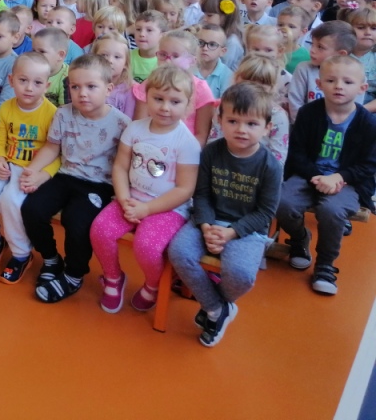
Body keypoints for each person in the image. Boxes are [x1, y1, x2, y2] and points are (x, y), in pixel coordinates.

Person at [90, 64, 201, 315]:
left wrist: (148, 209)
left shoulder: (187, 143)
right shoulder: (135, 128)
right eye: (158, 99)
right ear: (146, 97)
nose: (165, 107)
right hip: (131, 199)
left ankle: (153, 285)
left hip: (167, 208)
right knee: (100, 230)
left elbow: (184, 189)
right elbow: (120, 166)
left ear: (188, 105)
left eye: (175, 101)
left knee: (147, 247)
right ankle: (113, 277)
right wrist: (123, 199)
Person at [170, 84, 280, 336]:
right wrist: (206, 226)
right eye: (233, 121)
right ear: (219, 121)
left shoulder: (270, 166)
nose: (241, 129)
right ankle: (217, 308)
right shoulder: (210, 152)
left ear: (267, 127)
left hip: (247, 230)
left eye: (251, 124)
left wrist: (231, 232)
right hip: (207, 220)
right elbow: (201, 194)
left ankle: (216, 305)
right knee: (179, 252)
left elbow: (265, 213)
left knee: (241, 274)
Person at [19, 54, 131, 303]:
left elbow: (125, 165)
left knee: (77, 221)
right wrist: (33, 170)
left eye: (91, 87)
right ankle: (50, 258)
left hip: (99, 185)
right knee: (32, 208)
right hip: (65, 175)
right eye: (75, 87)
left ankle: (73, 274)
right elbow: (52, 147)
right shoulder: (63, 114)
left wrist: (123, 196)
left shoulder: (123, 124)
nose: (82, 94)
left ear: (108, 89)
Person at [276, 55, 376, 295]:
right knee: (281, 202)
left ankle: (325, 265)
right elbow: (296, 153)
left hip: (347, 182)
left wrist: (338, 177)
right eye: (331, 80)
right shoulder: (308, 113)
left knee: (332, 211)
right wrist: (317, 176)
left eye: (348, 82)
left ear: (362, 88)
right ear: (320, 84)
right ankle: (300, 238)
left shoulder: (368, 123)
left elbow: (369, 164)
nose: (339, 86)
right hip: (309, 175)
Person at [0, 53, 59, 283]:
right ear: (11, 80)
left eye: (37, 82)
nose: (29, 88)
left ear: (47, 85)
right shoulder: (5, 108)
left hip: (32, 171)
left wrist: (42, 174)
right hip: (7, 164)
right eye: (23, 80)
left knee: (10, 200)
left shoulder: (53, 114)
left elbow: (58, 153)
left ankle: (21, 253)